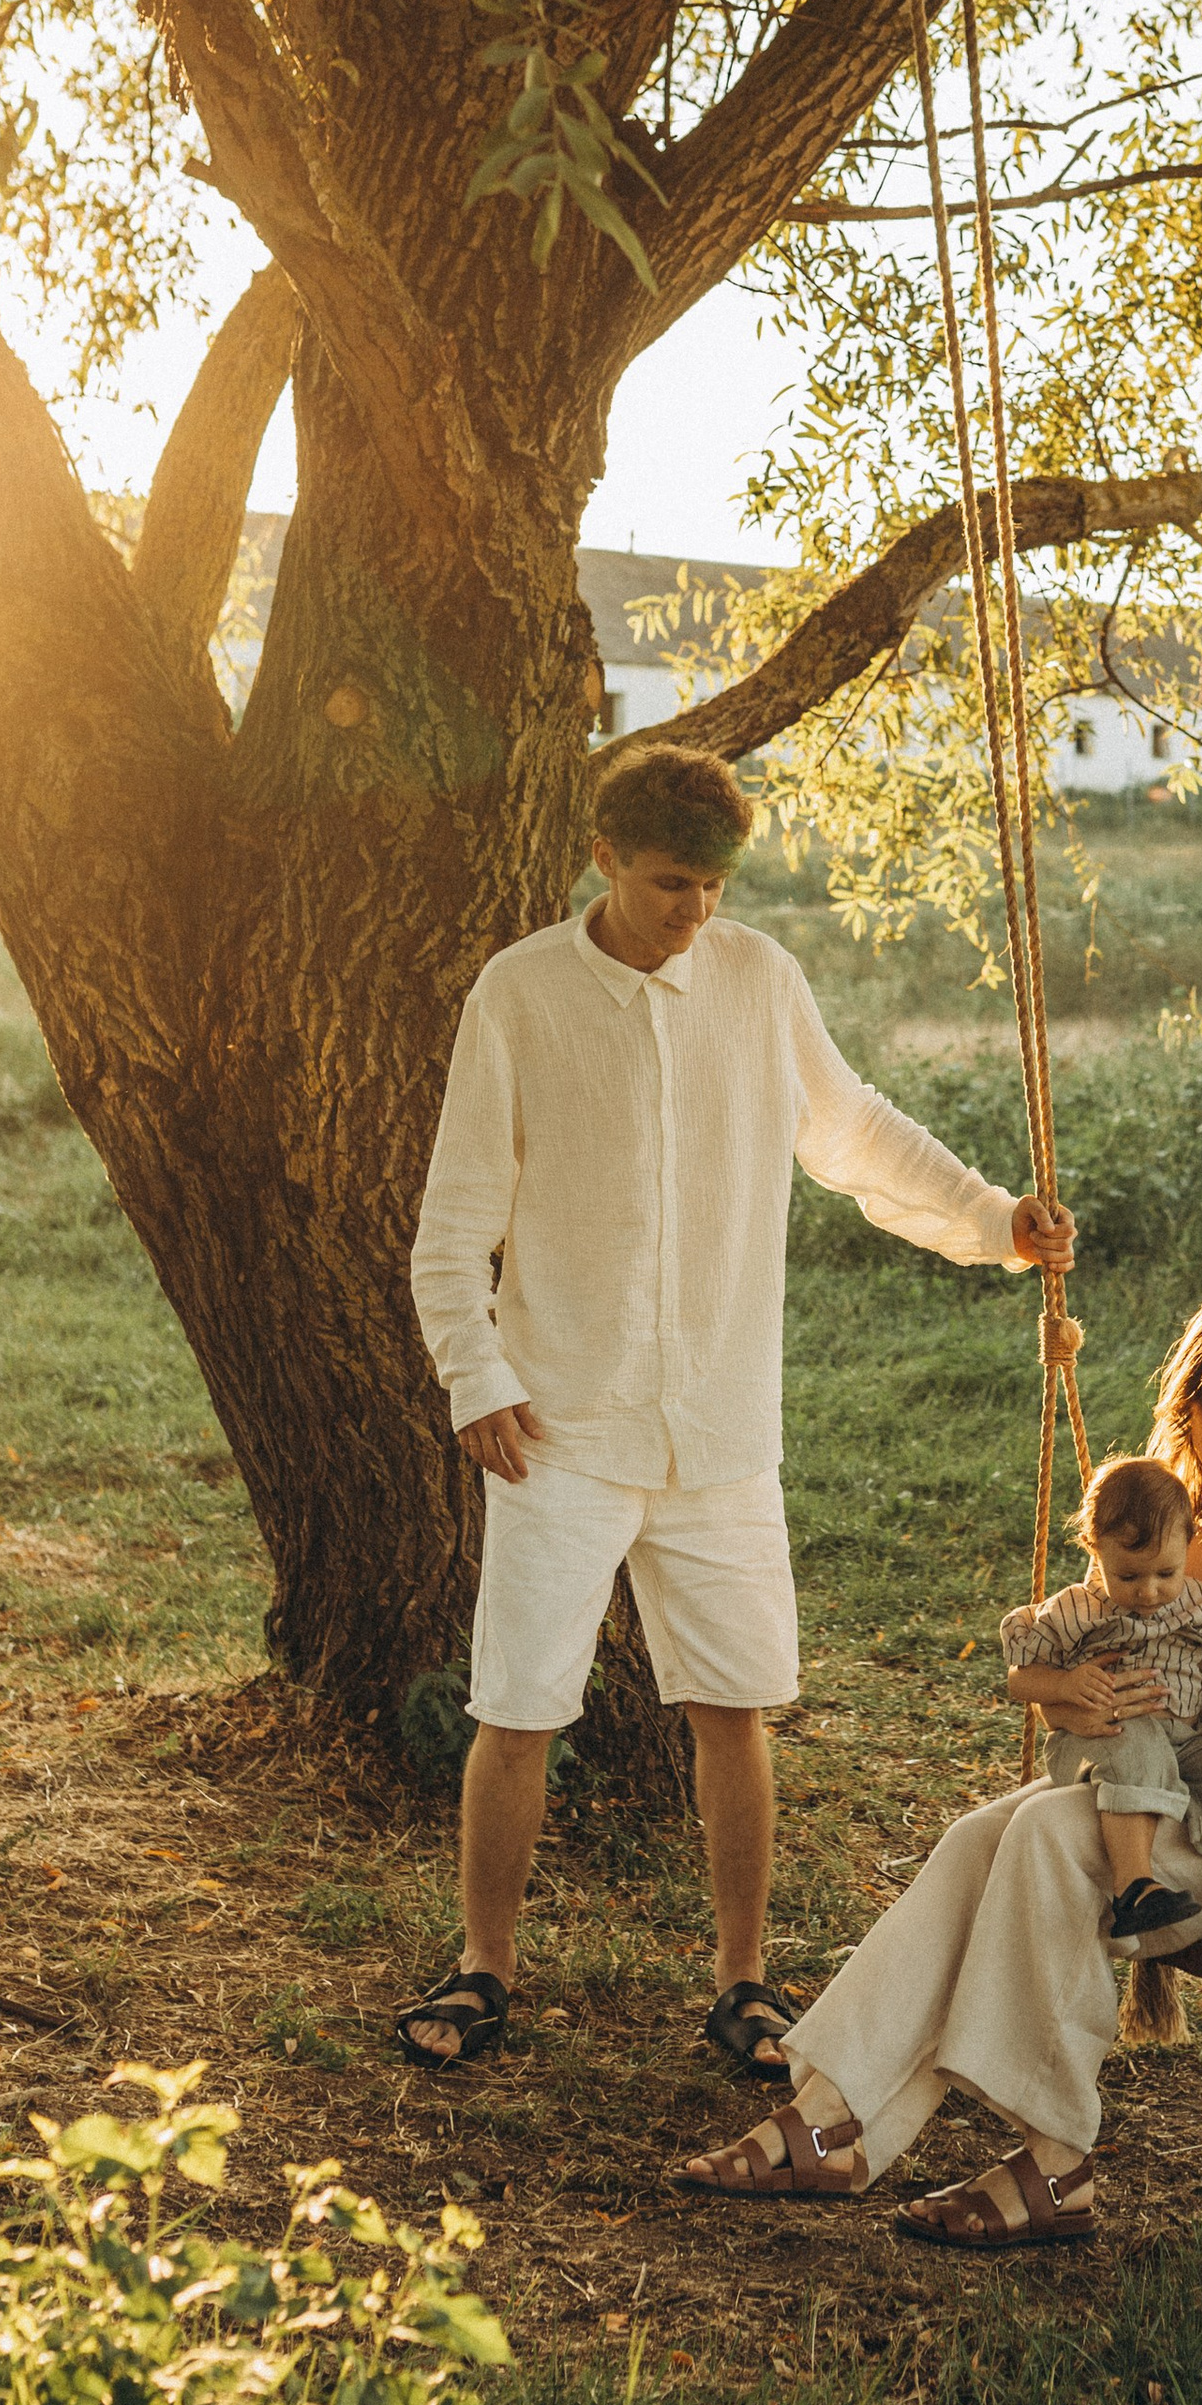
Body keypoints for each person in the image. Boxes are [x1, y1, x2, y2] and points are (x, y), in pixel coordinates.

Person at [395, 738, 1076, 2081]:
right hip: (559, 1427)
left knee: (736, 1706)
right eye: (667, 885)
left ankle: (745, 1982)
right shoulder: (520, 995)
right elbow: (450, 1223)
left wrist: (997, 1223)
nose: (695, 911)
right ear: (602, 857)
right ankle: (483, 1972)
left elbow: (856, 1135)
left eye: (712, 886)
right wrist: (476, 1376)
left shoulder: (761, 983)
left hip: (717, 1427)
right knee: (519, 1706)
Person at [680, 1288, 1202, 2243]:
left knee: (1040, 1835)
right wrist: (1070, 1694)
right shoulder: (1163, 1502)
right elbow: (1075, 1648)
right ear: (1189, 1400)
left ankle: (1055, 2161)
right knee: (974, 1838)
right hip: (1146, 1785)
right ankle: (833, 2119)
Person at [1002, 1451, 1202, 1951]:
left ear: (1190, 1543)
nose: (1148, 1592)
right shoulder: (1074, 1611)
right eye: (1128, 1577)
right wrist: (1063, 1686)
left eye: (1165, 1573)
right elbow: (1021, 1677)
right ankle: (1135, 1888)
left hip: (1183, 1741)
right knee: (1139, 1740)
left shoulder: (1201, 1608)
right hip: (1097, 1739)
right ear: (1094, 1547)